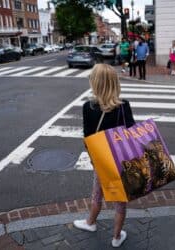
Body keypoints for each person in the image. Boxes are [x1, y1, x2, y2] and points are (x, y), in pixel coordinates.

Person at [73, 64, 135, 248]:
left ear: (96, 83)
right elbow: (131, 134)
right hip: (120, 162)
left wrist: (95, 162)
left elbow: (88, 139)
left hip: (101, 161)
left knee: (96, 194)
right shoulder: (123, 107)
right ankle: (116, 237)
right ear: (114, 84)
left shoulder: (88, 107)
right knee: (119, 202)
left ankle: (91, 223)